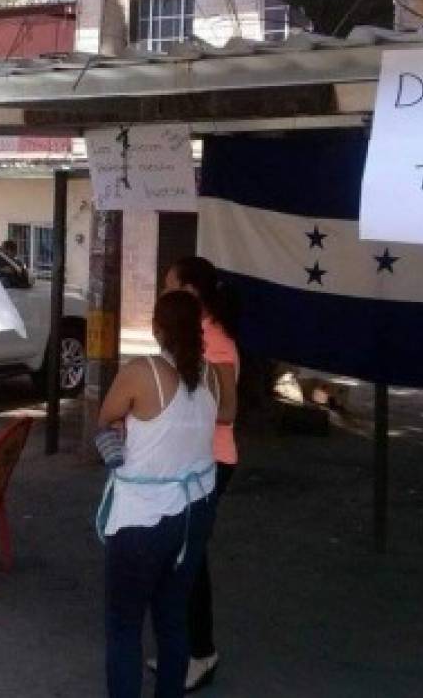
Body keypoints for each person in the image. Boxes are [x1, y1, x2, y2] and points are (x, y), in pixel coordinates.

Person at [97, 290, 236, 698]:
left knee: (124, 626)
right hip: (194, 513)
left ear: (157, 329)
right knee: (172, 621)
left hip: (143, 519)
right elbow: (225, 414)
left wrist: (122, 434)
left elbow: (105, 419)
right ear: (198, 329)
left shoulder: (143, 372)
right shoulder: (211, 374)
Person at [162, 256, 239, 691]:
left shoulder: (216, 342)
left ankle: (201, 653)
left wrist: (185, 412)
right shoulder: (191, 335)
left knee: (189, 559)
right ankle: (186, 649)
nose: (164, 293)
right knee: (181, 556)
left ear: (191, 292)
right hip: (188, 460)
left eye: (170, 286)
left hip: (211, 461)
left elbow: (226, 409)